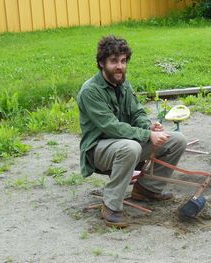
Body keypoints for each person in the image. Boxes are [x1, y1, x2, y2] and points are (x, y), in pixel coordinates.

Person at [77, 35, 187, 228]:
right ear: (101, 63)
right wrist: (147, 135)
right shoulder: (90, 91)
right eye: (113, 61)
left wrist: (148, 127)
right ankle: (111, 206)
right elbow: (110, 126)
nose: (119, 66)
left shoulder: (123, 84)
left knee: (176, 139)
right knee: (130, 147)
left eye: (123, 61)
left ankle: (147, 189)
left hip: (126, 143)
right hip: (98, 150)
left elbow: (137, 112)